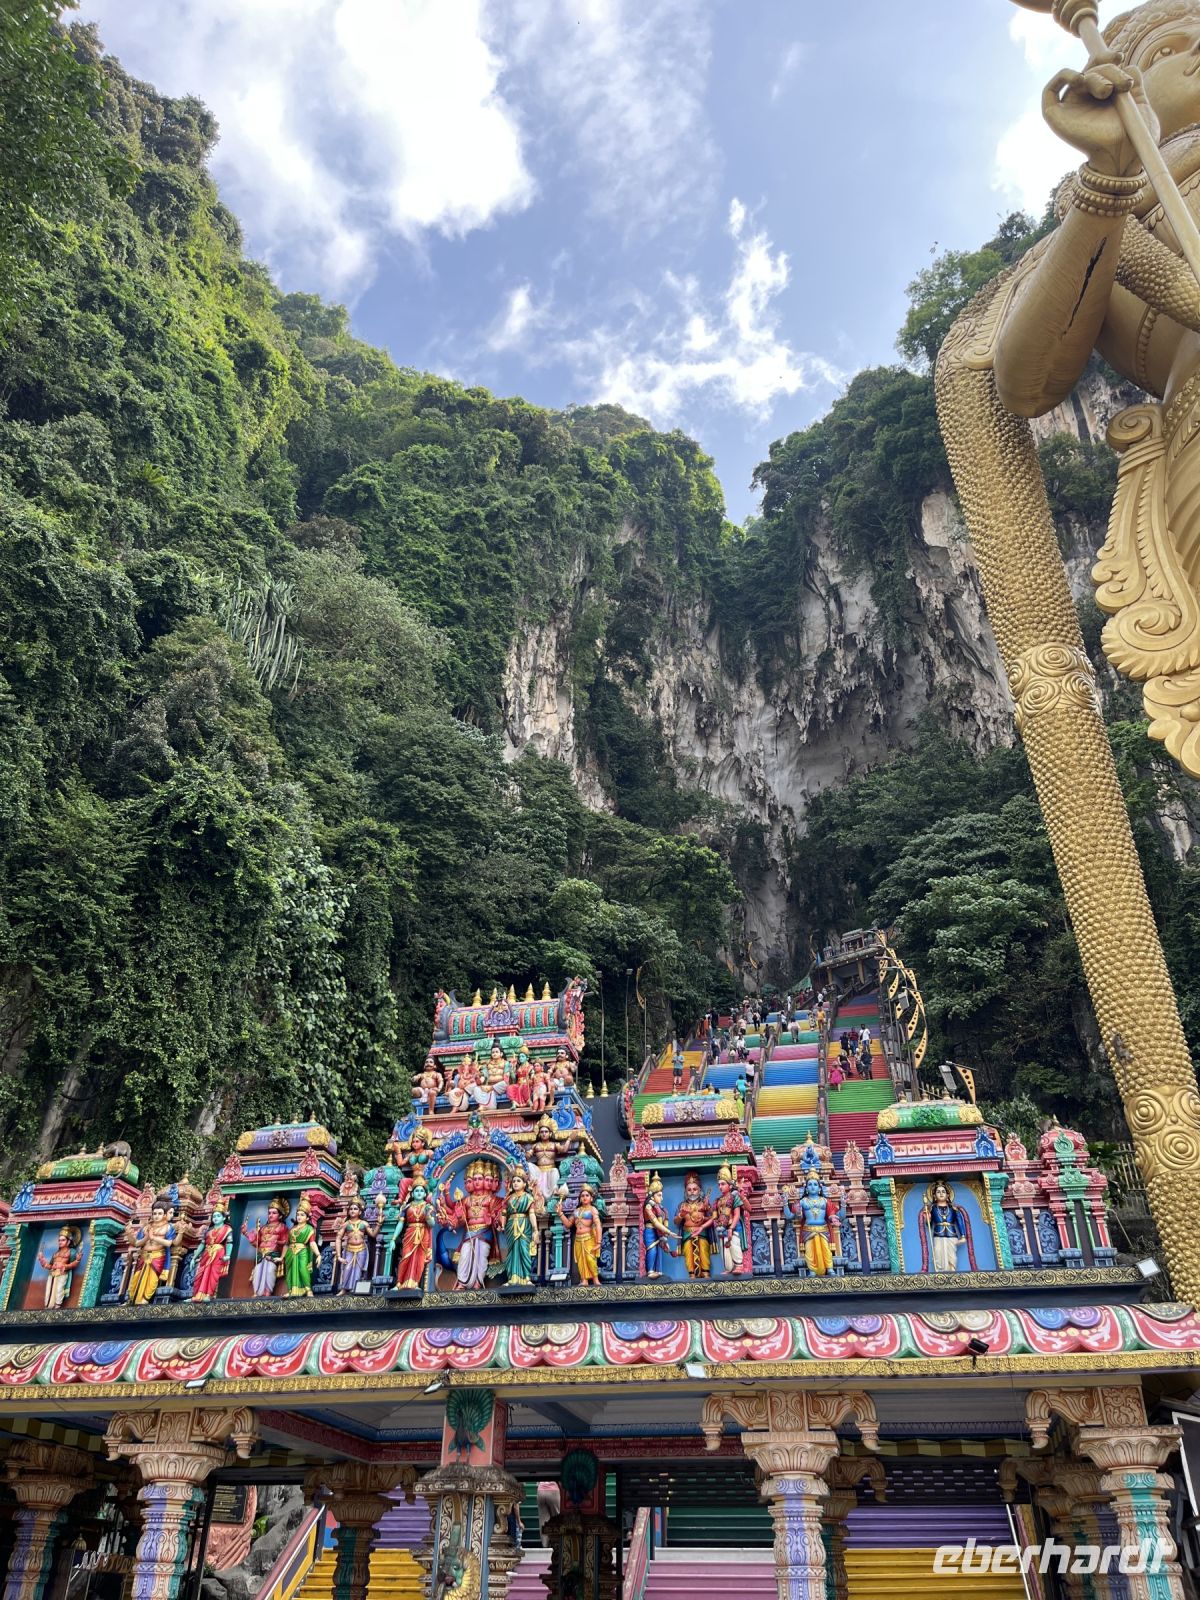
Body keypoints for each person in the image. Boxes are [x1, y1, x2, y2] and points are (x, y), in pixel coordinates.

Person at [38, 1226, 82, 1309]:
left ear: (68, 1241)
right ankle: (48, 1307)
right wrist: (42, 1260)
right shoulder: (55, 1254)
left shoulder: (71, 1252)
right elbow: (50, 1266)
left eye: (63, 1240)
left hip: (62, 1273)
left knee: (59, 1291)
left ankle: (57, 1307)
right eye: (59, 1240)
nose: (60, 1242)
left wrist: (76, 1261)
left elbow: (73, 1264)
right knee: (49, 1292)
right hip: (52, 1275)